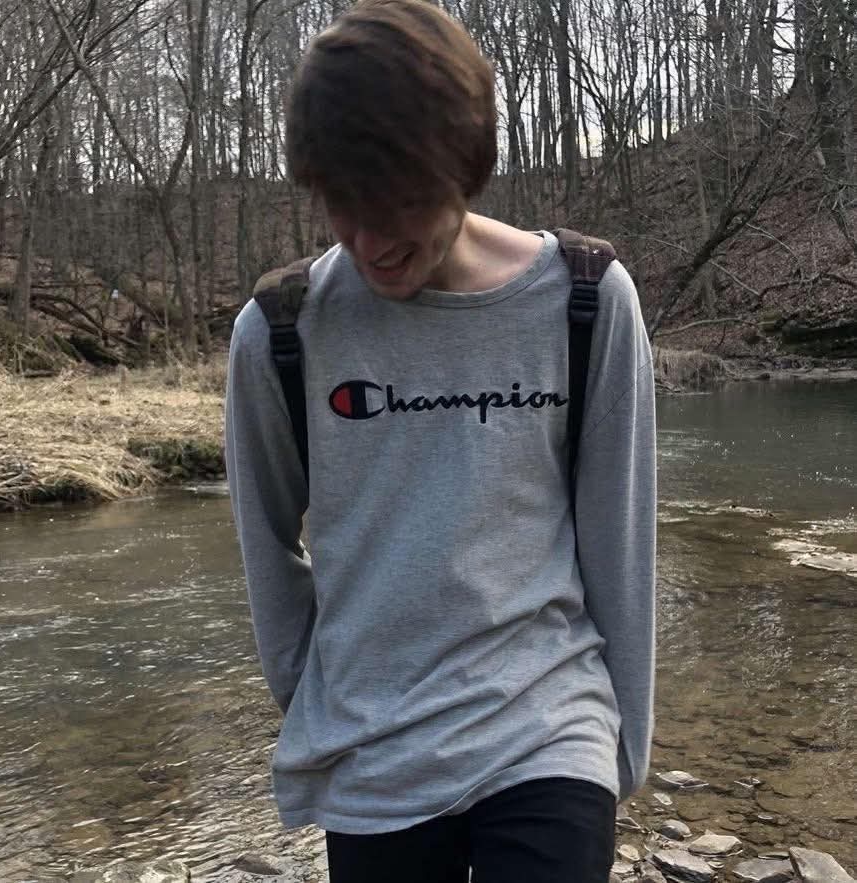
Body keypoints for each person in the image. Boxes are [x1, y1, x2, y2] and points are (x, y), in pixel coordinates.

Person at [225, 1, 656, 880]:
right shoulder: (280, 332)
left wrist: (621, 748)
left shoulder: (585, 300)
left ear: (466, 166)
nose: (370, 241)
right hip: (372, 754)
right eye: (343, 207)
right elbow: (265, 541)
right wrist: (310, 697)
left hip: (548, 727)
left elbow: (619, 539)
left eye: (400, 205)